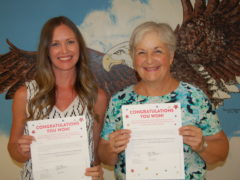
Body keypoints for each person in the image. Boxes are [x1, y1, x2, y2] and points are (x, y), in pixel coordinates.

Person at [98, 21, 229, 180]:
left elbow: (221, 152)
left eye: (157, 51)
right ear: (133, 58)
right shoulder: (119, 101)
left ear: (171, 56)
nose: (149, 60)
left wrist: (203, 145)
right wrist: (111, 149)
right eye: (141, 52)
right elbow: (105, 156)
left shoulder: (195, 97)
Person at [8, 16, 108, 180]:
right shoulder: (25, 94)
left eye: (70, 42)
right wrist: (21, 151)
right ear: (46, 50)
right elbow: (13, 149)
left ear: (80, 46)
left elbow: (94, 152)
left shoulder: (97, 97)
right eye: (55, 44)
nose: (64, 50)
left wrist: (97, 172)